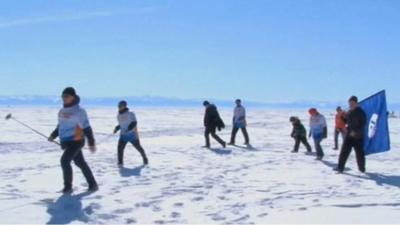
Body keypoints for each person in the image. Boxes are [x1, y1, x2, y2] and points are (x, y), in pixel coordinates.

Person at [48, 87, 98, 193]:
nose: (64, 98)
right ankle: (93, 184)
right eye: (62, 96)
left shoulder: (79, 111)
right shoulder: (61, 111)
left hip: (76, 141)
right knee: (80, 163)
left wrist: (91, 143)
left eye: (66, 96)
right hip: (66, 142)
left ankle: (68, 187)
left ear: (73, 97)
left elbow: (87, 128)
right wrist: (53, 135)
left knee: (64, 161)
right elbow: (60, 126)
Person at [336, 96, 367, 173]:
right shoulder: (349, 112)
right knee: (344, 152)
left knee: (359, 154)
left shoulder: (361, 112)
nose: (351, 104)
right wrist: (342, 117)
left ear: (356, 103)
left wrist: (355, 131)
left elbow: (363, 124)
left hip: (358, 136)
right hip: (349, 135)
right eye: (350, 103)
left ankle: (361, 169)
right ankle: (340, 168)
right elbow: (347, 121)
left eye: (353, 103)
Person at [113, 101, 149, 166]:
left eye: (120, 106)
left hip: (132, 135)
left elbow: (134, 122)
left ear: (124, 106)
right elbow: (121, 125)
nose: (119, 107)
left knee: (139, 148)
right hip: (123, 136)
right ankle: (120, 163)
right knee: (120, 149)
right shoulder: (118, 116)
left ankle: (145, 159)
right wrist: (117, 128)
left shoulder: (130, 114)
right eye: (118, 106)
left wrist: (130, 128)